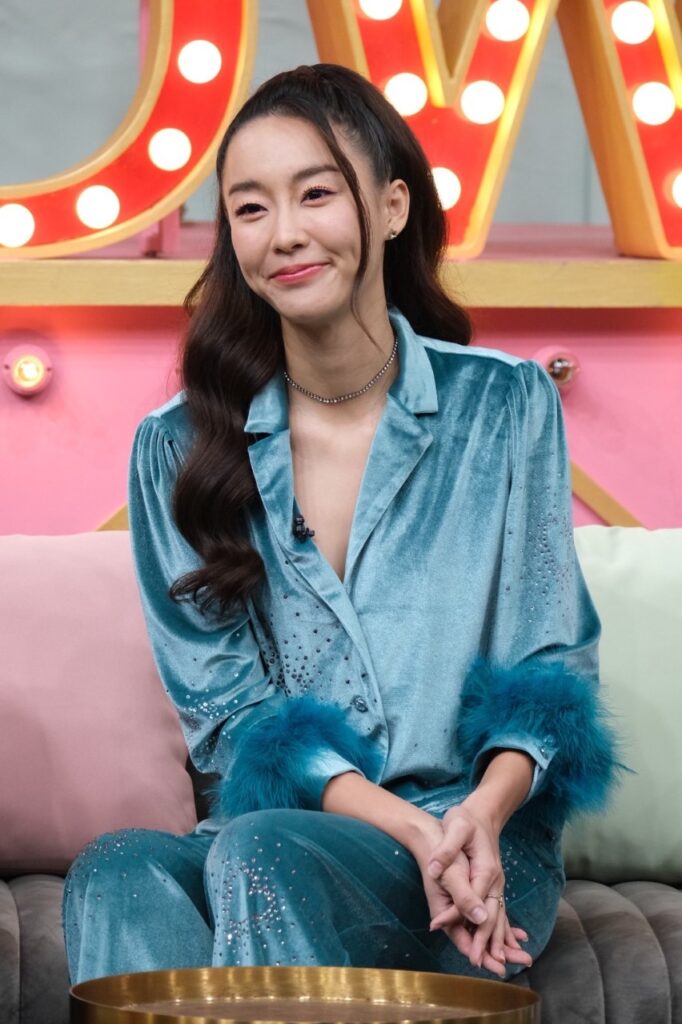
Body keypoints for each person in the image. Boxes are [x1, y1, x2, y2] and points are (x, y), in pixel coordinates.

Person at [63, 63, 619, 985]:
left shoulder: (506, 405)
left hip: (477, 834)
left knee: (262, 852)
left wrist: (472, 819)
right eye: (250, 208)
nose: (284, 233)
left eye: (315, 194)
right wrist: (404, 827)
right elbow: (231, 717)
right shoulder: (178, 449)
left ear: (392, 207)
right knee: (116, 870)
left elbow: (548, 663)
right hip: (288, 835)